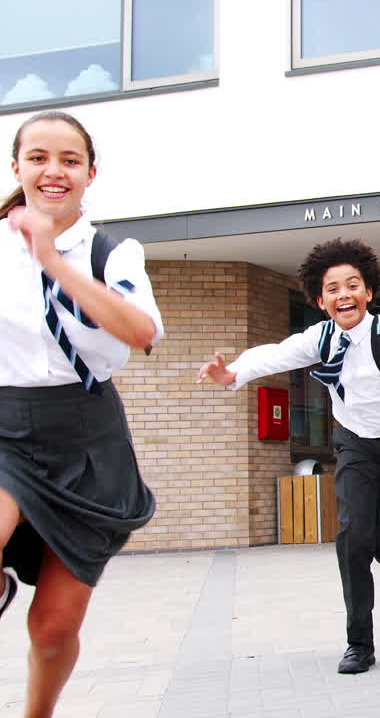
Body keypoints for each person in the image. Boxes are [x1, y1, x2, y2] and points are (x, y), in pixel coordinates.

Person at [196, 237, 380, 674]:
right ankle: (359, 642)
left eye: (352, 285)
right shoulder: (319, 339)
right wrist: (232, 374)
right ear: (321, 301)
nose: (344, 295)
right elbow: (273, 356)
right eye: (333, 289)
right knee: (353, 537)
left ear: (369, 292)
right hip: (356, 441)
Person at [1, 111, 162, 718]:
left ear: (90, 174)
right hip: (5, 428)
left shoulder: (110, 251)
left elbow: (140, 332)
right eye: (38, 157)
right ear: (16, 166)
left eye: (69, 160)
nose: (53, 171)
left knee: (52, 628)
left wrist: (53, 260)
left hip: (88, 436)